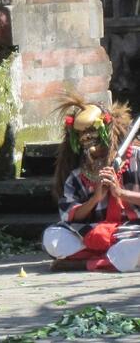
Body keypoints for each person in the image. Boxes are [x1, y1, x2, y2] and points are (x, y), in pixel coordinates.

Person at [43, 94, 140, 272]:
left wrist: (120, 193)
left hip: (131, 232)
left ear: (107, 131)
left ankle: (84, 263)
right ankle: (111, 260)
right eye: (82, 134)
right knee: (52, 237)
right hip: (92, 233)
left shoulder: (136, 158)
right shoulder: (77, 174)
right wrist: (95, 199)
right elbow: (70, 215)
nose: (87, 138)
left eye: (92, 131)